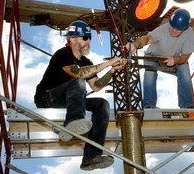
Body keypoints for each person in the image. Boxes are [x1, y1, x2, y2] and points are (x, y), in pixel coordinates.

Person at [34, 20, 127, 171]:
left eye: (89, 37)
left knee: (102, 104)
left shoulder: (86, 62)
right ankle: (73, 123)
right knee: (78, 82)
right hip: (47, 98)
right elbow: (78, 74)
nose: (88, 41)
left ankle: (91, 157)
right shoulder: (62, 54)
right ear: (72, 38)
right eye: (85, 37)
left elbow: (96, 86)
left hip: (70, 100)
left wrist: (112, 71)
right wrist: (108, 63)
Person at [126, 8, 194, 109]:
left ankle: (187, 105)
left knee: (184, 69)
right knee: (150, 72)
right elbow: (146, 39)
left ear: (184, 29)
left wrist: (175, 60)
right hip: (153, 57)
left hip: (172, 59)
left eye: (178, 30)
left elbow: (185, 57)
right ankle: (149, 105)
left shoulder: (189, 33)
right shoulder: (163, 29)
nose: (174, 31)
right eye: (172, 27)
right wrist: (135, 44)